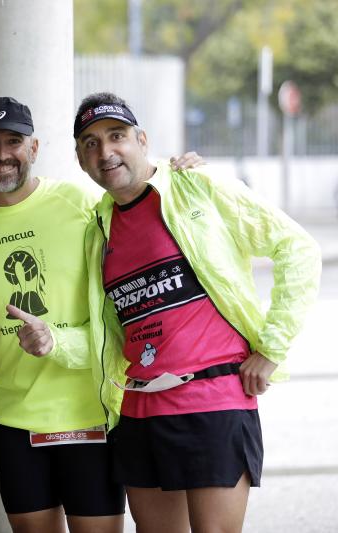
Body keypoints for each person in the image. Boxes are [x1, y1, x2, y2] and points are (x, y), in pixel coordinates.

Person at [71, 92, 321, 532]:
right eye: (90, 143)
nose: (105, 151)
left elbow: (297, 248)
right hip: (140, 408)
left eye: (116, 136)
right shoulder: (97, 227)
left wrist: (272, 347)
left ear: (142, 139)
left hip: (214, 401)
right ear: (79, 158)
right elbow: (102, 332)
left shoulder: (197, 185)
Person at [0, 96, 126, 533]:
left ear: (35, 148)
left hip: (87, 414)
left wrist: (180, 174)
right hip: (12, 420)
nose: (2, 154)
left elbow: (143, 204)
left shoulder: (80, 204)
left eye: (14, 141)